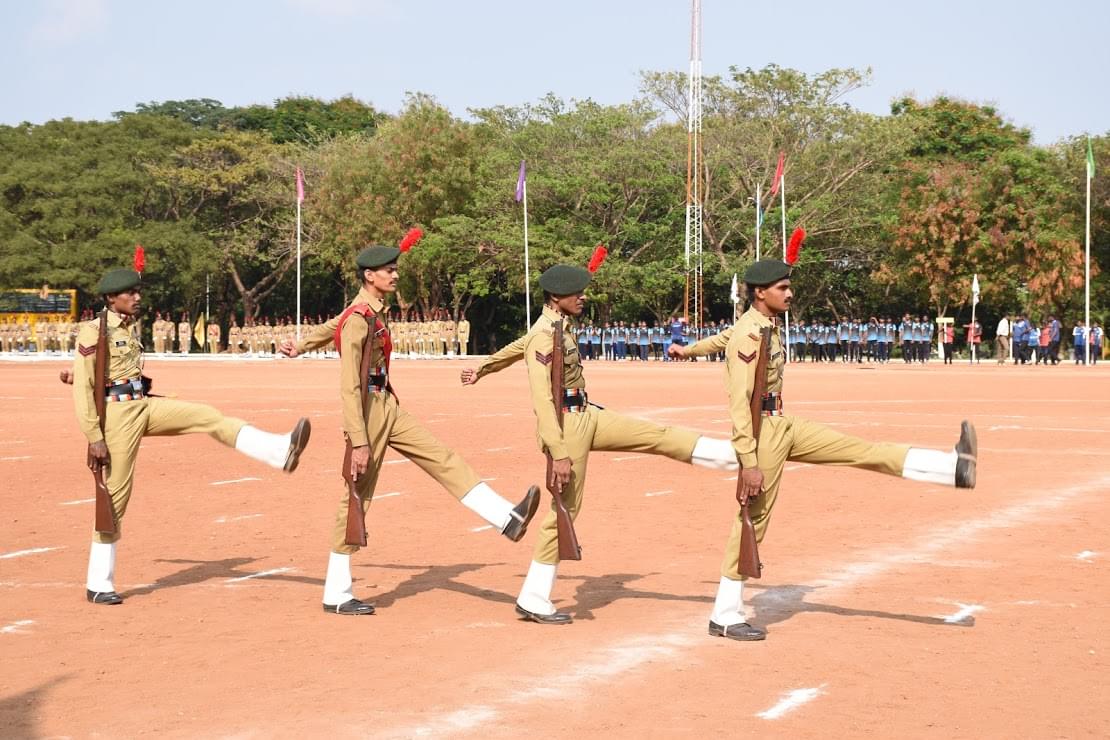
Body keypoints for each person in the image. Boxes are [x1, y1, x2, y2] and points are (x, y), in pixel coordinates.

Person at [673, 260, 977, 641]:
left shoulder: (759, 326)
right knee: (753, 520)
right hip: (761, 433)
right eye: (782, 288)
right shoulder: (749, 336)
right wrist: (748, 462)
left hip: (783, 424)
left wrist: (687, 350)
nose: (790, 293)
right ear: (760, 293)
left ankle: (952, 469)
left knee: (859, 449)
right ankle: (726, 614)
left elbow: (721, 339)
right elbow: (739, 402)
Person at [459, 264, 743, 624]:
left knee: (653, 435)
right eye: (577, 293)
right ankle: (533, 596)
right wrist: (558, 451)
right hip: (566, 426)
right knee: (566, 509)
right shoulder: (545, 335)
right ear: (556, 297)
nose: (583, 297)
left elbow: (515, 348)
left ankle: (724, 456)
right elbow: (542, 398)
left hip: (587, 414)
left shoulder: (553, 326)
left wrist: (482, 368)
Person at [280, 246, 541, 616]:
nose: (395, 275)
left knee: (441, 457)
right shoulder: (359, 317)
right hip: (367, 413)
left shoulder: (367, 312)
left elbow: (329, 327)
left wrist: (300, 345)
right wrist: (358, 441)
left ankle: (504, 517)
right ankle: (337, 593)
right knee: (356, 497)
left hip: (387, 405)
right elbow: (349, 386)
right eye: (389, 270)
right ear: (369, 276)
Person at [73, 268, 311, 606]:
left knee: (207, 416)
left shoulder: (127, 327)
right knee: (115, 497)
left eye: (138, 292)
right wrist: (94, 436)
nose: (137, 297)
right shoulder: (93, 331)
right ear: (112, 298)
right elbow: (84, 390)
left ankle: (278, 450)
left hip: (143, 405)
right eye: (130, 293)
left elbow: (112, 371)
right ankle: (99, 582)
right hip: (118, 417)